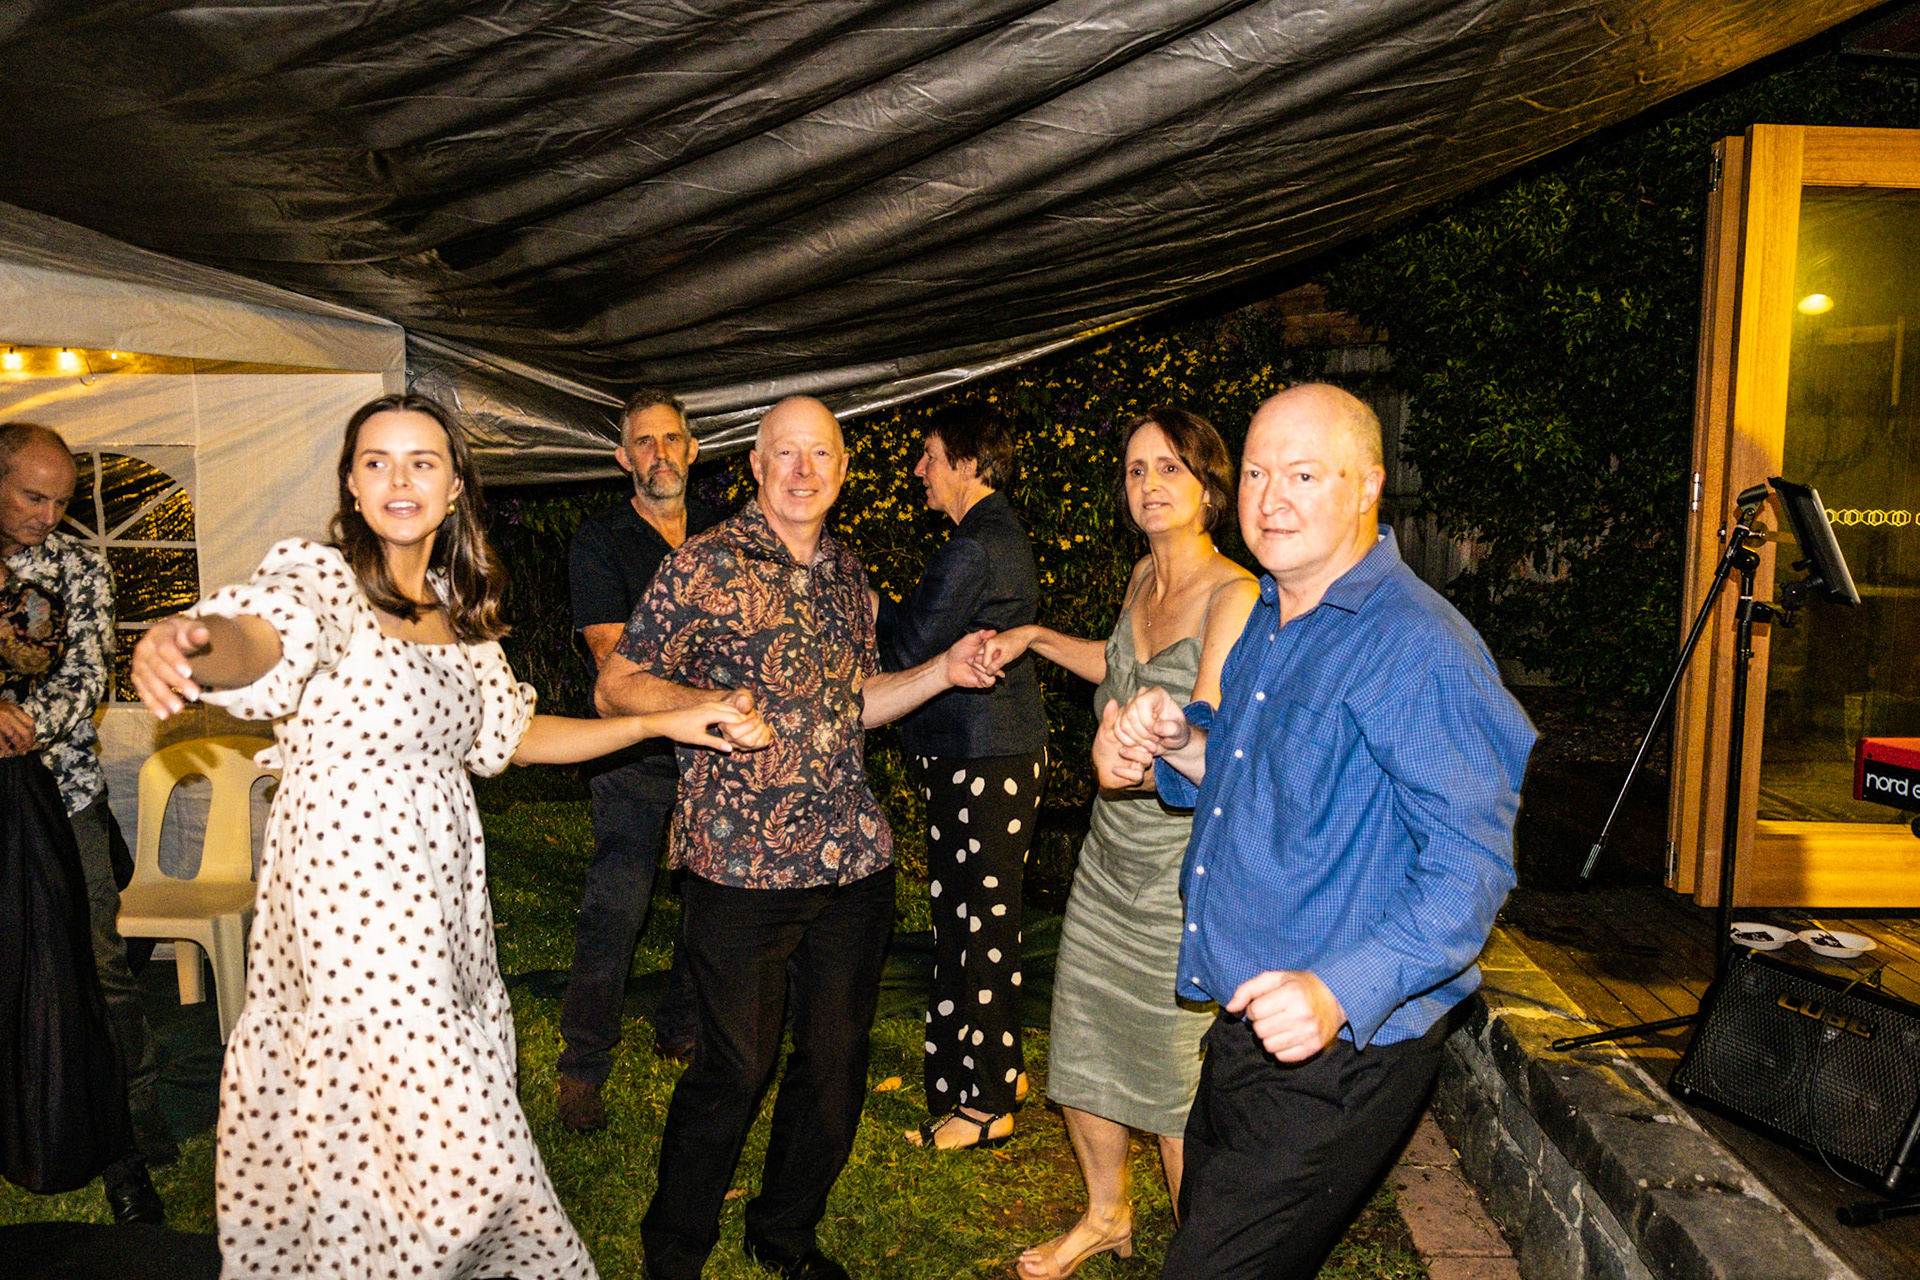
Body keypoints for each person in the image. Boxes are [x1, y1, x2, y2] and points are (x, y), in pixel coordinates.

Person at [130, 393, 761, 1279]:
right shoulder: (323, 579)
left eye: (422, 461)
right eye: (377, 462)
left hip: (442, 901)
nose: (399, 479)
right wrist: (194, 642)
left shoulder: (457, 615)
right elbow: (263, 635)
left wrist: (662, 722)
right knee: (461, 1148)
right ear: (352, 486)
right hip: (351, 906)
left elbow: (514, 735)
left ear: (455, 485)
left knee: (391, 1138)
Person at [1097, 384, 1536, 1280]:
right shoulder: (1273, 613)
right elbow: (1254, 774)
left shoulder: (1417, 646)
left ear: (1368, 485)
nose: (1271, 499)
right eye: (1258, 474)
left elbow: (1471, 867)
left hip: (1339, 1050)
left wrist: (1338, 991)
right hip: (1245, 1019)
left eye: (1303, 475)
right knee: (1211, 1232)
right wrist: (1181, 744)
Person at [596, 395, 1000, 1280]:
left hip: (851, 862)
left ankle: (784, 1234)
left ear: (843, 470)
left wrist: (942, 669)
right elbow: (617, 684)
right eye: (785, 453)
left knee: (835, 1064)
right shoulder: (703, 564)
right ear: (755, 465)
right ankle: (674, 1253)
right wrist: (701, 705)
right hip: (741, 865)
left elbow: (856, 703)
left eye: (820, 454)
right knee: (735, 1069)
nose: (803, 471)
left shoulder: (849, 575)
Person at [979, 408, 1257, 1278]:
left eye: (1169, 468)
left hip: (1184, 870)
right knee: (1085, 1042)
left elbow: (1206, 732)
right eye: (1136, 470)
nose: (1149, 485)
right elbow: (1119, 666)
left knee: (1175, 1081)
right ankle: (1106, 1215)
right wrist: (1034, 638)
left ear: (1209, 487)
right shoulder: (1143, 577)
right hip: (1108, 861)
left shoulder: (1235, 595)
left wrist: (1127, 770)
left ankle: (1203, 1255)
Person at [0, 421, 167, 1223]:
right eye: (34, 497)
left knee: (99, 968)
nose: (49, 515)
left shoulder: (78, 568)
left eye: (61, 502)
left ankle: (130, 1135)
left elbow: (88, 676)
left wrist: (21, 723)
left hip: (62, 798)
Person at [875, 402, 1049, 1152]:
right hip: (988, 753)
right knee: (975, 922)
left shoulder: (974, 546)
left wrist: (865, 602)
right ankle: (990, 1073)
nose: (920, 470)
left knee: (978, 929)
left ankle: (985, 1105)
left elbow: (908, 647)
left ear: (969, 463)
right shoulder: (990, 534)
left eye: (931, 455)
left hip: (983, 757)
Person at [557, 387, 726, 1131]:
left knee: (709, 896)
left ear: (693, 448)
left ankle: (681, 1026)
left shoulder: (727, 534)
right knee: (617, 907)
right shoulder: (602, 539)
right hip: (633, 753)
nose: (661, 454)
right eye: (645, 443)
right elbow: (611, 658)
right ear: (624, 458)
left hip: (715, 750)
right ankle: (582, 1065)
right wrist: (709, 687)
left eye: (672, 439)